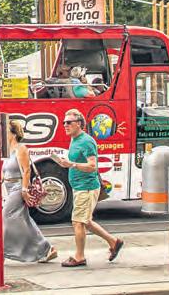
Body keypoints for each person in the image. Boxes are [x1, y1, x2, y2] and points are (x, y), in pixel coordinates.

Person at [0, 121, 57, 266]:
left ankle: (0, 253)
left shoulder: (21, 148)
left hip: (18, 189)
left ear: (13, 133)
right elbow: (6, 171)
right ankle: (46, 249)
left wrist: (24, 190)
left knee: (5, 217)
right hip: (10, 187)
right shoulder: (8, 150)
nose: (2, 134)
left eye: (5, 131)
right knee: (24, 220)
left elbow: (26, 170)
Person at [57, 108, 124, 267]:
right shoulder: (74, 139)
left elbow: (92, 166)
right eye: (64, 122)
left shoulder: (86, 141)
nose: (65, 125)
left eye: (69, 122)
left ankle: (79, 257)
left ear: (79, 124)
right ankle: (114, 242)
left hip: (86, 187)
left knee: (77, 222)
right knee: (86, 221)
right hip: (79, 186)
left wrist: (72, 164)